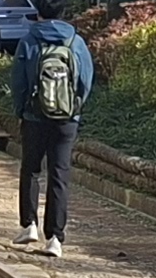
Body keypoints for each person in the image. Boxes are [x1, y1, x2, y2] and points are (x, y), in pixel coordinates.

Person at [10, 13, 96, 253]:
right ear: (63, 13)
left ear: (38, 13)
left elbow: (18, 81)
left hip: (34, 116)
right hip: (66, 119)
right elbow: (86, 79)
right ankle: (55, 238)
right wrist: (74, 106)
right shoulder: (75, 41)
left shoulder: (29, 40)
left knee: (31, 170)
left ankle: (29, 225)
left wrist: (21, 109)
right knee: (59, 174)